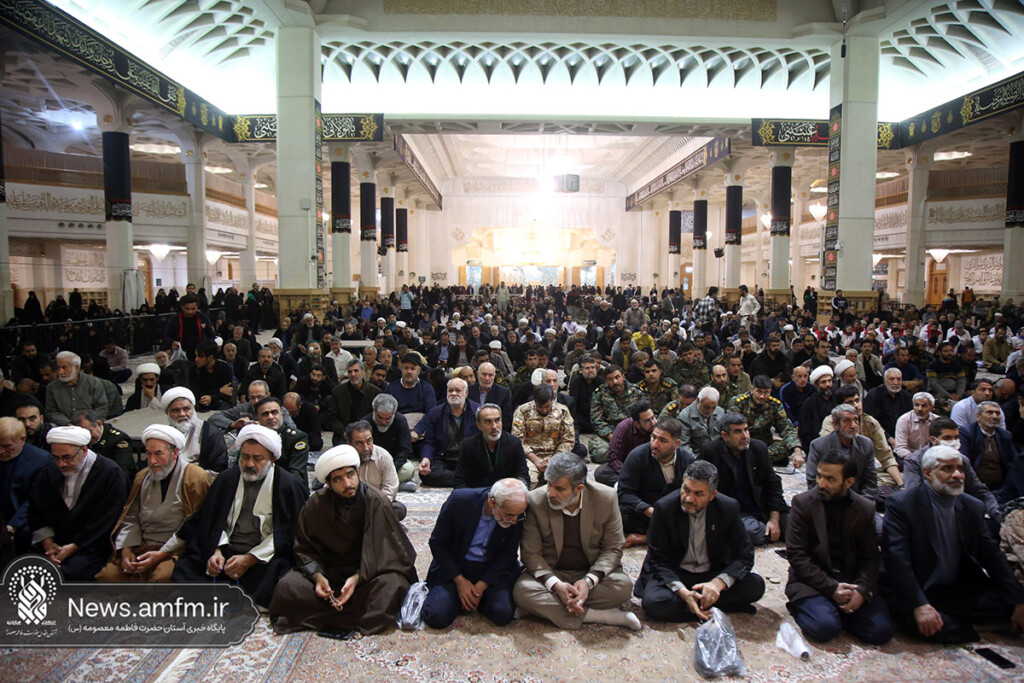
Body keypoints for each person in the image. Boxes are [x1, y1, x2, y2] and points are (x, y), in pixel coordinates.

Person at [882, 446, 1024, 643]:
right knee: (932, 626)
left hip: (956, 588)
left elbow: (992, 556)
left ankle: (965, 623)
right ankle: (970, 627)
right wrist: (919, 604)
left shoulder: (973, 506)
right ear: (927, 473)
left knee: (1011, 603)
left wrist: (1017, 599)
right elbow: (898, 560)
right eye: (947, 469)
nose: (957, 475)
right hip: (920, 587)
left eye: (960, 469)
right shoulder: (902, 504)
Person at [270, 445, 417, 634]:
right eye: (338, 479)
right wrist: (318, 577)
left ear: (358, 473)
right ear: (328, 483)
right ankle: (348, 616)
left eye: (350, 475)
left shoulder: (376, 501)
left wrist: (357, 577)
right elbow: (304, 548)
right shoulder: (316, 504)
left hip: (369, 575)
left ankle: (325, 615)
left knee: (391, 587)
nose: (347, 484)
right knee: (286, 587)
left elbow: (389, 553)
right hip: (329, 572)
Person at [171, 424, 308, 607]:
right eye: (245, 457)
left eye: (258, 458)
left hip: (264, 557)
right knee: (188, 568)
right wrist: (216, 551)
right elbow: (210, 520)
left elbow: (288, 534)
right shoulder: (226, 479)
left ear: (272, 459)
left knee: (282, 579)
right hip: (227, 551)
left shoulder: (288, 486)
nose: (249, 464)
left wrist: (250, 559)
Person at [513, 452, 641, 631]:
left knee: (623, 587)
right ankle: (601, 615)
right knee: (521, 590)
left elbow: (613, 547)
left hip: (591, 570)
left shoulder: (605, 498)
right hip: (553, 571)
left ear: (579, 489)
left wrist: (589, 581)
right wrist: (556, 585)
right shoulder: (536, 500)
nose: (550, 493)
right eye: (549, 484)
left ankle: (544, 609)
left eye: (559, 488)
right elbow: (530, 553)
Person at [636, 460, 765, 622]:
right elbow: (657, 560)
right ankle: (707, 605)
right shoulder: (665, 507)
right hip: (676, 573)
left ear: (712, 495)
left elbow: (745, 555)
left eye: (698, 494)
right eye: (686, 489)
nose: (689, 498)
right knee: (654, 602)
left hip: (712, 572)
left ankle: (693, 605)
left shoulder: (728, 507)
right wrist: (682, 592)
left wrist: (717, 584)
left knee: (756, 586)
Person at [786, 451, 893, 644]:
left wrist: (861, 590)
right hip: (813, 580)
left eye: (830, 479)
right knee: (824, 628)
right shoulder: (803, 503)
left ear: (849, 482)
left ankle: (838, 609)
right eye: (819, 476)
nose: (821, 483)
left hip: (850, 578)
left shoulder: (864, 508)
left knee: (881, 632)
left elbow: (870, 556)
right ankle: (822, 609)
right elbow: (797, 556)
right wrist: (831, 588)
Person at [96, 425, 212, 582]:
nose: (152, 461)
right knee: (107, 576)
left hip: (176, 549)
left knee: (161, 579)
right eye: (148, 454)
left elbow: (195, 524)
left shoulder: (195, 477)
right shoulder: (142, 477)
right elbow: (131, 517)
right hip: (141, 545)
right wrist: (126, 550)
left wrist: (162, 553)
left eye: (158, 454)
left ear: (175, 452)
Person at [421, 479, 528, 628]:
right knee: (436, 617)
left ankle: (474, 599)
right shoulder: (460, 501)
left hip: (490, 568)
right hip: (457, 565)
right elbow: (437, 543)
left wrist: (481, 586)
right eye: (509, 515)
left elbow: (508, 554)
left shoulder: (516, 512)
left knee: (503, 614)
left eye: (518, 516)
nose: (514, 521)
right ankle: (461, 598)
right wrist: (460, 582)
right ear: (492, 503)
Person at [29, 426, 129, 580]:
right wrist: (48, 543)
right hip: (55, 542)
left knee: (69, 573)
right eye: (56, 458)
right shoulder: (49, 471)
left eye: (67, 457)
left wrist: (74, 547)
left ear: (84, 451)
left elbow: (107, 520)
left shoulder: (111, 474)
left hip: (91, 545)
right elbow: (37, 510)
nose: (61, 464)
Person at [698, 413, 788, 547]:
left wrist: (774, 518)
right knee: (752, 533)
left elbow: (773, 483)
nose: (745, 436)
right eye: (737, 432)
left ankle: (767, 529)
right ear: (725, 436)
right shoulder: (711, 451)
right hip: (736, 512)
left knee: (798, 525)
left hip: (762, 506)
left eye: (746, 430)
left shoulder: (759, 448)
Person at [902, 417, 1001, 523]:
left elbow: (979, 491)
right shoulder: (914, 461)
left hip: (959, 512)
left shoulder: (962, 460)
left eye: (956, 437)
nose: (953, 442)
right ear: (933, 440)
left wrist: (997, 514)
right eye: (947, 438)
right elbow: (914, 495)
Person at [616, 417, 694, 546]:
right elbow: (624, 492)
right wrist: (647, 510)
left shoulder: (687, 460)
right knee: (619, 513)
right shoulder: (637, 456)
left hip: (673, 511)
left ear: (676, 444)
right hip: (646, 512)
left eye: (662, 440)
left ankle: (646, 538)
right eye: (653, 437)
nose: (655, 444)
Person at [806, 404, 879, 504]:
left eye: (856, 420)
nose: (853, 425)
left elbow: (870, 481)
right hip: (827, 501)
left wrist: (862, 505)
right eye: (847, 421)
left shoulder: (866, 444)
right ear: (835, 425)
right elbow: (813, 483)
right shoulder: (819, 446)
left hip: (857, 501)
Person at [728, 375, 803, 467]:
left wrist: (798, 451)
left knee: (788, 445)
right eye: (759, 392)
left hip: (765, 445)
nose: (762, 396)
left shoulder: (775, 405)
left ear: (770, 392)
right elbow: (733, 427)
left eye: (766, 392)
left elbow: (787, 428)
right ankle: (760, 460)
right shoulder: (738, 402)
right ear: (752, 389)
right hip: (743, 442)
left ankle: (754, 459)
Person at [417, 378, 480, 488]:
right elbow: (429, 442)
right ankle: (464, 479)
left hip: (468, 459)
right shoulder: (436, 413)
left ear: (466, 393)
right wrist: (426, 459)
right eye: (450, 390)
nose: (454, 393)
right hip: (444, 459)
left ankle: (462, 478)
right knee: (426, 474)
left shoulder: (478, 411)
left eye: (458, 390)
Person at [513, 384, 578, 488]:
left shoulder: (563, 411)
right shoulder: (522, 411)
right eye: (540, 407)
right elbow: (518, 440)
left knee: (567, 481)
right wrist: (536, 460)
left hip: (556, 455)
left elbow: (568, 440)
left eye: (547, 406)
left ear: (552, 400)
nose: (544, 410)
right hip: (530, 456)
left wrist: (553, 459)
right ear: (535, 401)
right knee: (528, 481)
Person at [0, 417, 50, 553]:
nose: (1, 451)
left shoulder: (41, 461)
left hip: (23, 521)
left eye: (7, 446)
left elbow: (35, 500)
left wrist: (12, 527)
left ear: (22, 440)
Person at [345, 420, 406, 521]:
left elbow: (390, 488)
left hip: (377, 503)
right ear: (349, 443)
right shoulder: (342, 459)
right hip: (350, 504)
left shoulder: (383, 456)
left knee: (399, 510)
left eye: (369, 441)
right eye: (359, 443)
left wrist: (373, 507)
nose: (366, 448)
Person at [161, 387, 228, 472]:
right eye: (176, 410)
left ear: (193, 408)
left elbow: (219, 469)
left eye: (186, 409)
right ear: (167, 412)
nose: (182, 414)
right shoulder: (164, 435)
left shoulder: (211, 433)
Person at [958, 400, 1017, 495]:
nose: (994, 416)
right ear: (978, 417)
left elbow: (1014, 463)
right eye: (989, 412)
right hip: (973, 487)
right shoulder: (967, 433)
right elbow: (964, 463)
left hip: (1001, 487)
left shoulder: (1005, 435)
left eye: (997, 413)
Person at [595, 400, 657, 488]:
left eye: (653, 418)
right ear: (637, 424)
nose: (653, 423)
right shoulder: (624, 428)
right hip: (628, 467)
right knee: (601, 473)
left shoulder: (658, 429)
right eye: (647, 421)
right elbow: (613, 457)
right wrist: (628, 473)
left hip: (649, 468)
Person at [588, 365, 643, 463]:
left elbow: (644, 415)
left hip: (632, 431)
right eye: (610, 379)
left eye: (617, 377)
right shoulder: (600, 393)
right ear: (606, 381)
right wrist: (611, 437)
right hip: (609, 432)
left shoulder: (637, 392)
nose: (615, 382)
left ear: (623, 376)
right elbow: (596, 420)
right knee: (599, 454)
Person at [252, 396, 310, 487]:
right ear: (258, 418)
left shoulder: (296, 438)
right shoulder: (253, 438)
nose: (270, 417)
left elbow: (296, 473)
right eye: (265, 414)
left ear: (281, 413)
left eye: (274, 412)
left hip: (288, 487)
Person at [363, 393, 416, 489]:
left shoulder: (400, 421)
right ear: (374, 411)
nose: (383, 422)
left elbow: (405, 449)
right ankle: (393, 484)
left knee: (408, 469)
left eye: (388, 418)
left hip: (394, 463)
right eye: (379, 417)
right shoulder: (365, 423)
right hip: (372, 464)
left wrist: (392, 469)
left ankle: (379, 484)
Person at [327, 359, 382, 447]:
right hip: (344, 434)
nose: (353, 374)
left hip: (368, 434)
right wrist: (344, 432)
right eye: (350, 372)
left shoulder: (375, 392)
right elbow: (332, 418)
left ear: (363, 372)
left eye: (356, 371)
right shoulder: (337, 392)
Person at [45, 351, 108, 426]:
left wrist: (88, 423)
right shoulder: (52, 387)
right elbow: (51, 412)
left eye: (64, 367)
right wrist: (67, 423)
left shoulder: (94, 383)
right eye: (58, 367)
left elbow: (101, 408)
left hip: (91, 425)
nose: (60, 372)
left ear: (77, 367)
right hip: (65, 427)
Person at [73, 410, 136, 477]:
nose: (86, 436)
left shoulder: (118, 440)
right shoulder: (80, 439)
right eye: (81, 434)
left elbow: (121, 471)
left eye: (89, 431)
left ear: (99, 424)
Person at [863, 368, 913, 447]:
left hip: (903, 437)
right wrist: (890, 439)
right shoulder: (874, 395)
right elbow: (871, 423)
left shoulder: (905, 396)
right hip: (880, 438)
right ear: (884, 380)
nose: (896, 383)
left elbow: (910, 418)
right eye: (891, 379)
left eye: (899, 379)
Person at [162, 293, 215, 360]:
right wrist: (171, 343)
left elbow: (211, 334)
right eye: (187, 309)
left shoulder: (203, 317)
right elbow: (166, 335)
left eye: (193, 309)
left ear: (197, 307)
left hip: (200, 353)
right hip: (181, 353)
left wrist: (207, 347)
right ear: (182, 307)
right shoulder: (174, 319)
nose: (190, 312)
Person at [677, 386, 724, 455]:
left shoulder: (720, 412)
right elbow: (684, 445)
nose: (710, 411)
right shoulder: (685, 416)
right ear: (698, 400)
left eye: (713, 407)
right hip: (697, 455)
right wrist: (696, 460)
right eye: (706, 407)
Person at [468, 362, 513, 430]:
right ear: (477, 374)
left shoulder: (503, 393)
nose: (487, 378)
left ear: (495, 376)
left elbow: (507, 420)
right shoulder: (468, 391)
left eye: (490, 375)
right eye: (484, 374)